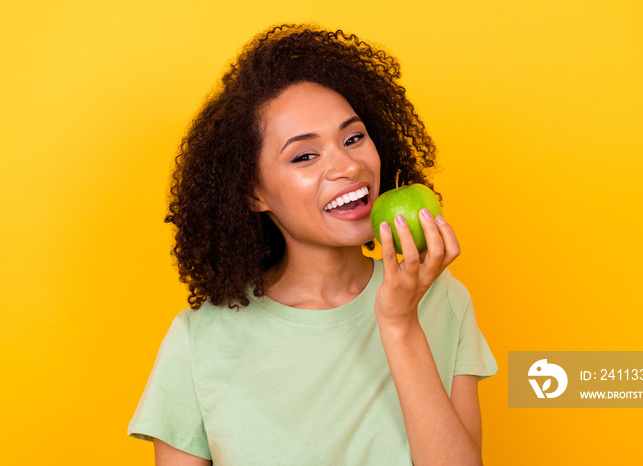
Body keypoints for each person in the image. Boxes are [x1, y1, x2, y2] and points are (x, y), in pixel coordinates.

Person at [128, 24, 497, 465]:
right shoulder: (199, 341)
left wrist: (400, 324)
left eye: (353, 138)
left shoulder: (441, 300)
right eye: (305, 155)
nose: (346, 166)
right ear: (253, 193)